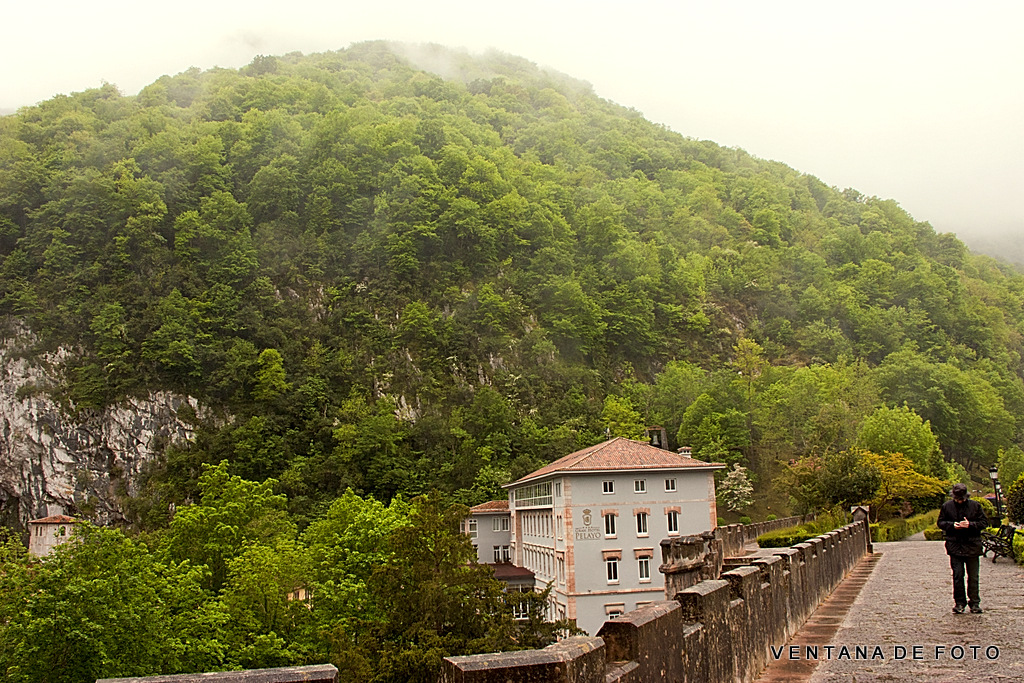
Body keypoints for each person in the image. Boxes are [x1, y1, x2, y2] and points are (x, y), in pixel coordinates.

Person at [936, 483, 988, 613]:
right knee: (958, 576)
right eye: (958, 499)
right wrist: (953, 525)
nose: (960, 501)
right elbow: (940, 522)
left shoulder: (975, 506)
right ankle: (959, 602)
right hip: (955, 545)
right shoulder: (947, 507)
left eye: (962, 499)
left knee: (973, 576)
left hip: (972, 545)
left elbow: (984, 523)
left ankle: (974, 602)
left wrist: (970, 524)